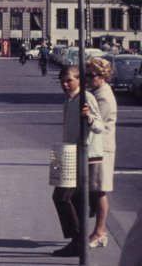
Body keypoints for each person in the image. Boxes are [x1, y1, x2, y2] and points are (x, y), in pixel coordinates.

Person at [51, 64, 105, 258]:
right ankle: (78, 241)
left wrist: (89, 118)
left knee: (61, 197)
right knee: (74, 199)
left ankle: (78, 240)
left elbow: (100, 126)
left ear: (79, 80)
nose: (65, 85)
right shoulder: (69, 99)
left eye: (69, 81)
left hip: (83, 156)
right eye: (62, 81)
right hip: (68, 153)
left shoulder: (85, 97)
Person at [85, 57, 118, 249]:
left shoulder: (103, 96)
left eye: (91, 75)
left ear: (102, 75)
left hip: (102, 149)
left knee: (99, 190)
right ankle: (98, 232)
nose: (88, 79)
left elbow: (97, 123)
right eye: (86, 75)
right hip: (97, 148)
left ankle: (100, 232)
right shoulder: (97, 92)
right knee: (95, 189)